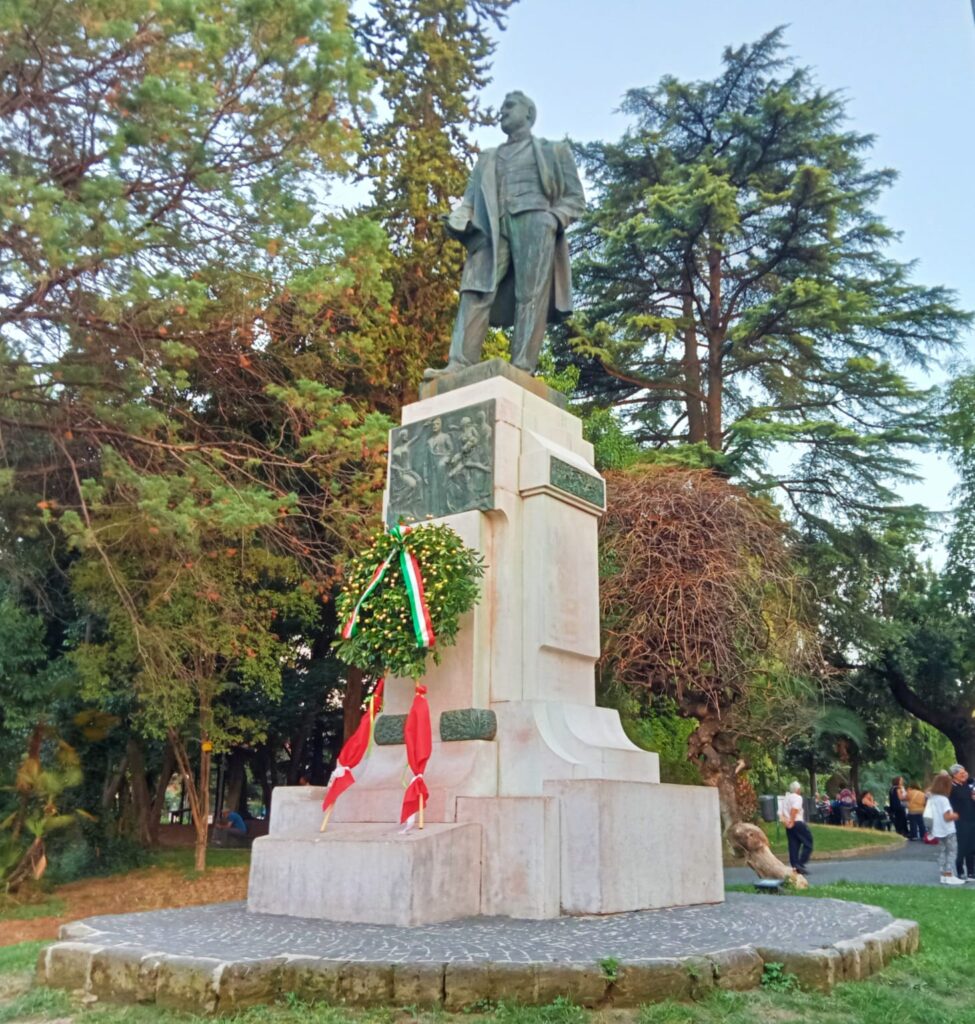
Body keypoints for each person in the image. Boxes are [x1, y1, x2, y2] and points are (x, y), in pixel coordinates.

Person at [424, 91, 586, 379]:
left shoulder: (554, 151)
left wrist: (553, 218)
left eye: (509, 106)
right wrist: (459, 219)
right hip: (492, 229)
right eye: (501, 107)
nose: (502, 111)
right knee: (474, 290)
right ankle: (459, 363)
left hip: (536, 220)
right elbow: (470, 203)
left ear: (529, 113)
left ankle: (522, 366)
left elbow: (575, 199)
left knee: (530, 293)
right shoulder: (488, 158)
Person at [925, 773, 964, 885]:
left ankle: (942, 875)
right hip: (948, 830)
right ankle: (949, 875)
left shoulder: (932, 798)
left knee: (942, 852)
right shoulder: (944, 800)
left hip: (937, 829)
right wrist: (956, 815)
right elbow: (947, 817)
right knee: (951, 852)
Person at [948, 764, 975, 880]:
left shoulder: (967, 786)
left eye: (965, 772)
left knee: (972, 847)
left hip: (972, 819)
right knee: (962, 847)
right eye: (961, 773)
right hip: (960, 821)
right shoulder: (951, 787)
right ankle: (959, 871)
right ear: (954, 775)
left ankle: (971, 872)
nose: (964, 775)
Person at [780, 780, 813, 875]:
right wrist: (792, 821)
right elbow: (794, 809)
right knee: (808, 842)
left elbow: (781, 812)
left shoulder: (785, 799)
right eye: (800, 789)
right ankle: (801, 862)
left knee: (793, 844)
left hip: (788, 824)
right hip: (797, 822)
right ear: (797, 789)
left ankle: (794, 865)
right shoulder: (798, 798)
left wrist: (786, 822)